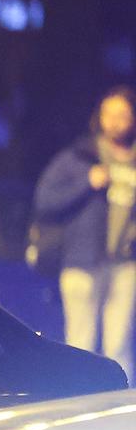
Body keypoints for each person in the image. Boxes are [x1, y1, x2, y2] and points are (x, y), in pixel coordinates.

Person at [34, 86, 136, 381]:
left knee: (120, 342)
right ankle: (76, 404)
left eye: (123, 115)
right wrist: (86, 182)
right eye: (109, 114)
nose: (116, 121)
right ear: (99, 117)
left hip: (126, 263)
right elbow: (45, 201)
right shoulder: (81, 156)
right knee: (81, 342)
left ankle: (121, 411)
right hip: (82, 261)